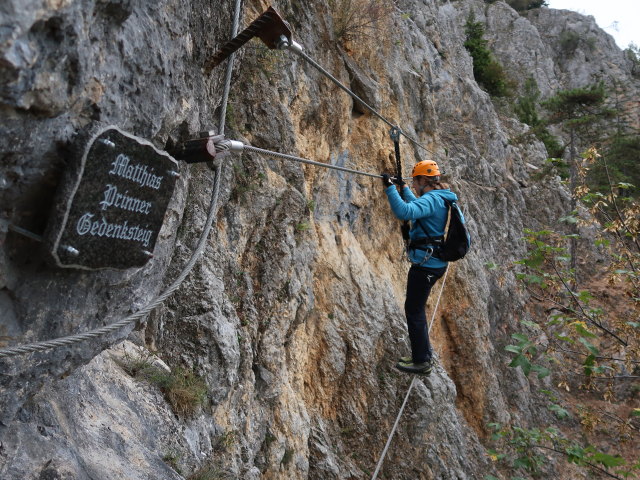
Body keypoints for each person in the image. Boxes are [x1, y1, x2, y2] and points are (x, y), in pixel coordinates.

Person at [381, 160, 458, 375]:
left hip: (426, 265)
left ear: (424, 180)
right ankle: (422, 356)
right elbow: (418, 208)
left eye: (414, 182)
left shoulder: (432, 199)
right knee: (416, 310)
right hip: (433, 263)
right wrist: (403, 188)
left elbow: (405, 212)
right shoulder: (438, 197)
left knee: (414, 311)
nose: (414, 185)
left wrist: (389, 188)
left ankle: (421, 361)